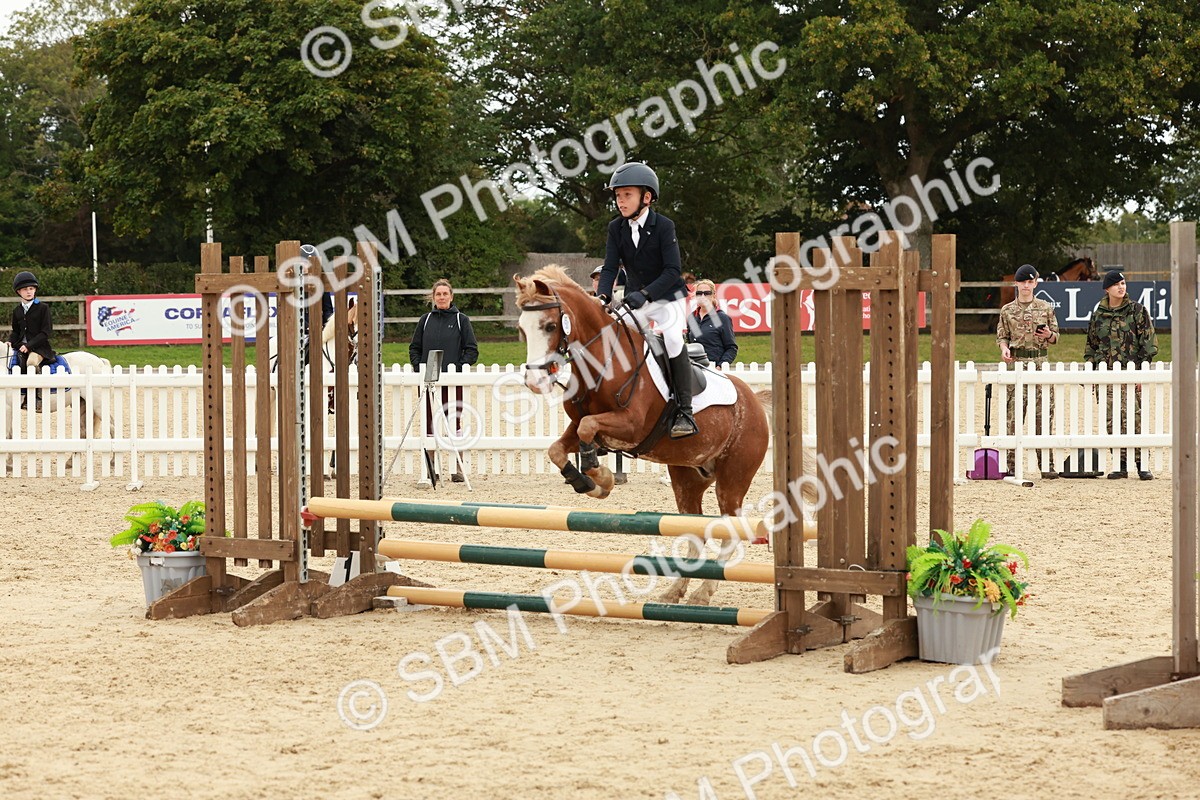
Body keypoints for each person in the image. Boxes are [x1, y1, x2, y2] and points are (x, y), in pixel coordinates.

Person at [595, 162, 695, 438]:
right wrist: (602, 296)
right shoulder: (616, 228)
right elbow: (610, 267)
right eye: (618, 195)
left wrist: (646, 294)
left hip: (667, 298)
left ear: (646, 197)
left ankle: (685, 411)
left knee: (672, 338)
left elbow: (673, 270)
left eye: (627, 195)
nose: (620, 201)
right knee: (613, 338)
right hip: (636, 299)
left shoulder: (664, 226)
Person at [1084, 269, 1158, 480]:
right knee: (1112, 420)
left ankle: (1142, 463)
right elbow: (1091, 345)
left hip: (1130, 373)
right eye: (1116, 284)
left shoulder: (1137, 310)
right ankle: (1120, 463)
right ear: (1107, 289)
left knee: (1135, 418)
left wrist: (1142, 372)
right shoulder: (1098, 314)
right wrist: (1091, 371)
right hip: (1106, 375)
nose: (1121, 287)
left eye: (1123, 283)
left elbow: (1149, 343)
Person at [409, 279, 479, 482]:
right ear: (433, 297)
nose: (441, 297)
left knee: (453, 421)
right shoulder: (425, 320)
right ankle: (431, 468)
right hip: (428, 381)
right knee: (429, 423)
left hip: (452, 381)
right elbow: (414, 348)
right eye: (438, 294)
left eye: (444, 294)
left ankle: (458, 467)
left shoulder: (461, 320)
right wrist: (419, 368)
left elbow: (471, 350)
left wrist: (457, 368)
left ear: (451, 296)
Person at [996, 264, 1059, 478]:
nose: (1026, 285)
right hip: (1017, 364)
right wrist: (1004, 349)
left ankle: (1047, 465)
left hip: (1040, 364)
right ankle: (1012, 466)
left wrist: (1049, 335)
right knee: (1014, 417)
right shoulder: (1007, 310)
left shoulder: (1045, 308)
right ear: (1016, 283)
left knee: (1043, 416)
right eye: (1023, 281)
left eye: (1030, 282)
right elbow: (1002, 336)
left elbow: (1056, 336)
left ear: (1035, 284)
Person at [8, 271, 56, 411]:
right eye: (25, 289)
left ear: (35, 290)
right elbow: (16, 331)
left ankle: (37, 397)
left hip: (39, 347)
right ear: (19, 292)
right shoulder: (17, 311)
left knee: (31, 363)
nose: (29, 292)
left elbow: (46, 332)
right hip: (21, 346)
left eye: (31, 288)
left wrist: (29, 346)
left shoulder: (43, 308)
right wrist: (10, 341)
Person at [686, 279, 737, 368]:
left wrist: (720, 366)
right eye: (699, 293)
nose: (702, 296)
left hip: (714, 368)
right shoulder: (692, 317)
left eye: (707, 293)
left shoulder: (722, 318)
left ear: (713, 295)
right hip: (694, 368)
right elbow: (689, 344)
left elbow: (731, 348)